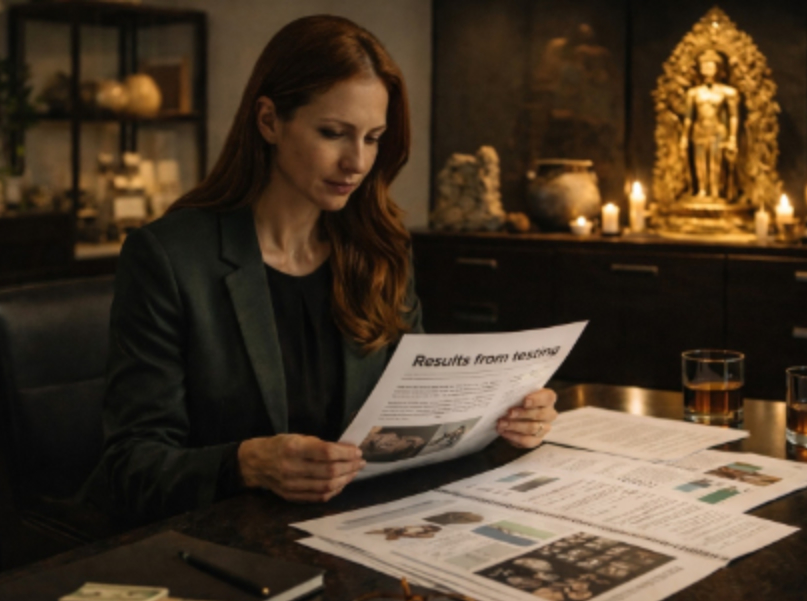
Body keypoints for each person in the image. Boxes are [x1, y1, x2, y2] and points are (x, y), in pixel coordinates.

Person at [83, 15, 558, 527]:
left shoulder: (381, 248)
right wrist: (245, 464)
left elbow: (418, 413)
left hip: (360, 527)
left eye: (373, 138)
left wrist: (506, 419)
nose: (357, 162)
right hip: (223, 538)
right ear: (269, 121)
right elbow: (129, 466)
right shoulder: (169, 258)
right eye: (334, 133)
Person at [679, 49, 739, 200]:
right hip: (699, 130)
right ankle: (702, 189)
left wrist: (732, 138)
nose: (707, 70)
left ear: (718, 69)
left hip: (718, 130)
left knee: (716, 162)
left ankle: (715, 190)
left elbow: (733, 116)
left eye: (711, 66)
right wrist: (684, 137)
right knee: (699, 162)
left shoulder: (727, 92)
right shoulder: (694, 93)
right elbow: (688, 117)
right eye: (704, 66)